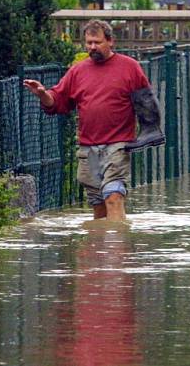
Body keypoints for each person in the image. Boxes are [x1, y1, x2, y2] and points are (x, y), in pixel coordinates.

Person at [23, 19, 164, 221]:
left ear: (110, 41)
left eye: (97, 42)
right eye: (88, 43)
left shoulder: (130, 68)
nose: (92, 47)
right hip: (88, 148)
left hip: (118, 145)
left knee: (113, 197)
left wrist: (150, 131)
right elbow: (57, 102)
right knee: (98, 206)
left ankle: (118, 248)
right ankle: (100, 248)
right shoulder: (78, 71)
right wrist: (42, 94)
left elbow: (146, 103)